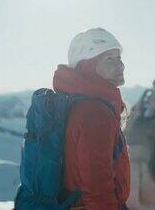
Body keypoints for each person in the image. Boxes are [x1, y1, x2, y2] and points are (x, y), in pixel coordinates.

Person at [54, 28, 131, 210]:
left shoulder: (87, 103)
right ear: (87, 66)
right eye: (109, 59)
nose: (120, 66)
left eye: (119, 58)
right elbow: (97, 184)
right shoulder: (94, 113)